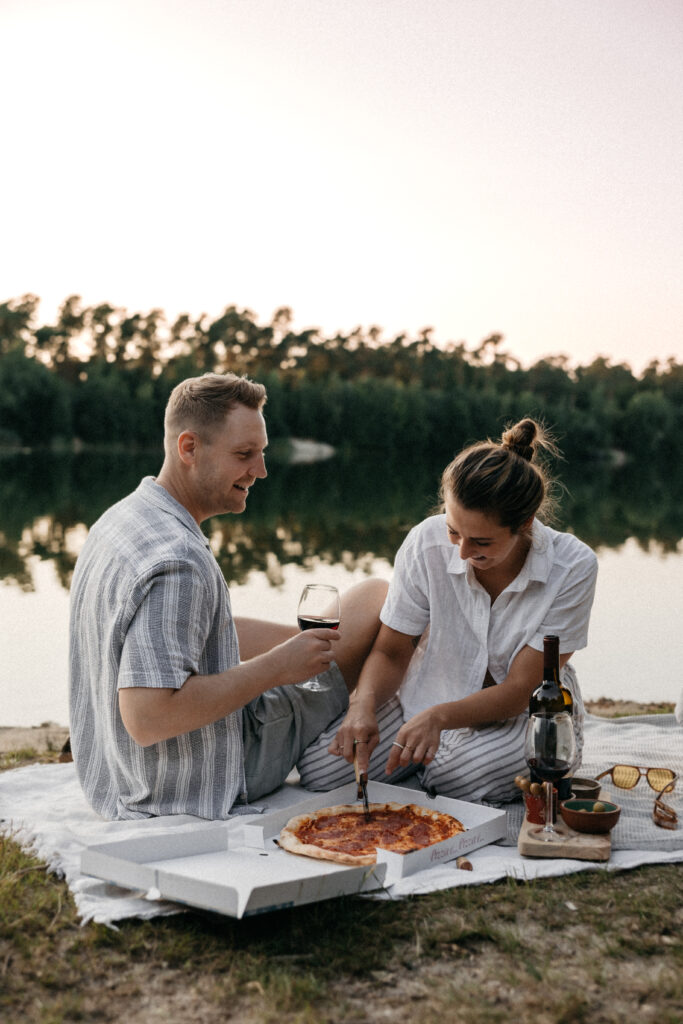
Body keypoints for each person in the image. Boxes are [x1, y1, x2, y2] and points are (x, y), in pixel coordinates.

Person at [68, 371, 388, 820]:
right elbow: (148, 718)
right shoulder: (179, 561)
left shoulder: (122, 521)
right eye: (244, 455)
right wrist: (278, 668)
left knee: (363, 617)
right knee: (377, 597)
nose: (260, 471)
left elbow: (189, 632)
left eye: (261, 453)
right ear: (189, 448)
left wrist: (297, 646)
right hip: (195, 778)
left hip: (116, 773)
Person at [296, 418, 598, 804]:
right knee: (322, 771)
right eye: (454, 531)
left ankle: (552, 748)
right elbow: (391, 650)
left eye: (481, 542)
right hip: (433, 684)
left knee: (454, 778)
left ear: (524, 524)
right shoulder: (425, 542)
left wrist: (438, 720)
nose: (461, 553)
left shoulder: (572, 567)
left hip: (529, 708)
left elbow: (521, 690)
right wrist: (363, 705)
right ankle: (429, 761)